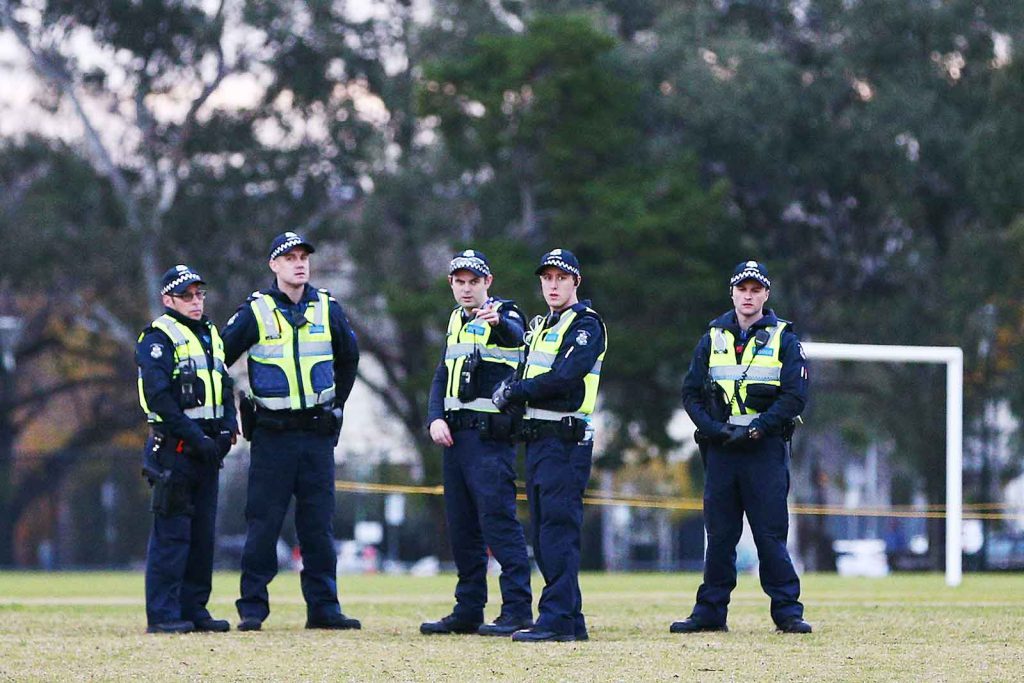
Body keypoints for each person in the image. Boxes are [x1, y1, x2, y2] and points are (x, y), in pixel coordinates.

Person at [221, 231, 361, 631]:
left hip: (316, 434)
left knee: (318, 525)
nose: (300, 263)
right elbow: (217, 360)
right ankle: (252, 608)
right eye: (290, 257)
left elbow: (349, 359)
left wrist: (337, 407)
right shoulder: (256, 311)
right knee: (263, 524)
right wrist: (235, 407)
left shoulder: (327, 308)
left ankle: (323, 608)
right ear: (274, 265)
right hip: (272, 436)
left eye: (304, 257)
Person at [670, 260, 812, 634]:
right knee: (719, 535)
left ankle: (787, 611)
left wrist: (759, 429)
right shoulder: (712, 338)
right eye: (742, 289)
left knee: (769, 535)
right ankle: (710, 612)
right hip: (721, 450)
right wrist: (714, 429)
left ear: (766, 294)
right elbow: (690, 393)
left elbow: (795, 397)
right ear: (732, 292)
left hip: (763, 450)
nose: (748, 296)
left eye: (755, 290)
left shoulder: (785, 338)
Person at [492, 248, 607, 643]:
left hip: (565, 441)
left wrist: (515, 390)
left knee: (557, 530)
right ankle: (570, 619)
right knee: (543, 533)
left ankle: (557, 619)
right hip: (539, 441)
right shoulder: (543, 325)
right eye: (547, 278)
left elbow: (565, 377)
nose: (553, 285)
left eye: (561, 278)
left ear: (576, 281)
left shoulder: (586, 325)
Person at [420, 250, 533, 637]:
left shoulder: (506, 312)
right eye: (460, 282)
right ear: (452, 285)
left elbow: (516, 337)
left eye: (474, 282)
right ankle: (468, 610)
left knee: (498, 522)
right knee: (462, 527)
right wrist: (435, 416)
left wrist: (498, 321)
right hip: (455, 438)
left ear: (488, 282)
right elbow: (442, 374)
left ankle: (517, 609)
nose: (467, 289)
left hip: (488, 440)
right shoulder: (455, 320)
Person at [136, 265, 236, 634]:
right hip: (175, 449)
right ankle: (162, 614)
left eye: (199, 295)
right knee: (172, 534)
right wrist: (197, 438)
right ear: (168, 300)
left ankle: (194, 609)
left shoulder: (210, 333)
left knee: (202, 535)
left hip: (208, 450)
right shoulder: (158, 338)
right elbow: (160, 399)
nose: (196, 302)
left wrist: (228, 430)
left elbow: (224, 386)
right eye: (187, 296)